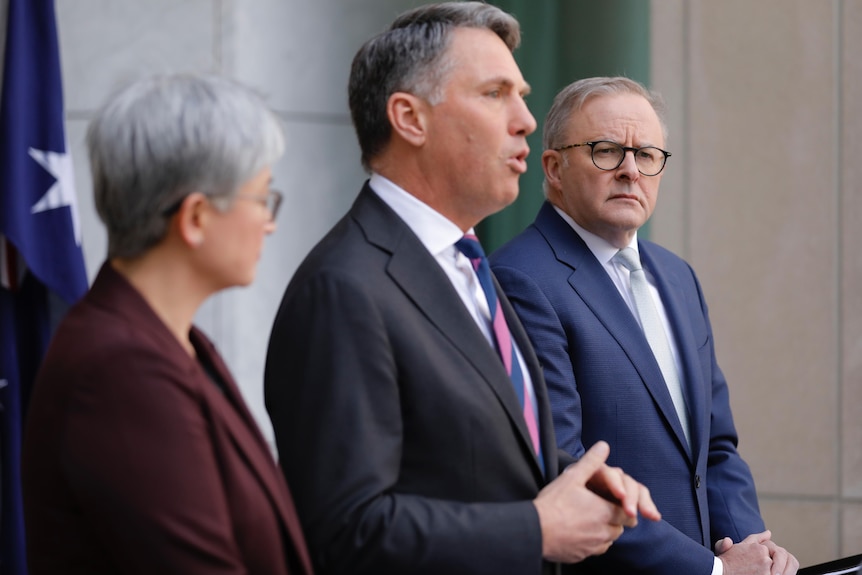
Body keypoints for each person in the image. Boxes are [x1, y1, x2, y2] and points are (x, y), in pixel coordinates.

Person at [263, 5, 660, 575]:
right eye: (495, 94)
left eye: (521, 94)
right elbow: (343, 531)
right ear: (410, 118)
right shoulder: (342, 288)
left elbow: (471, 457)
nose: (525, 119)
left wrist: (567, 478)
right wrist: (538, 528)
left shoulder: (470, 264)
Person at [490, 76, 799, 575]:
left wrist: (750, 550)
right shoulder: (520, 279)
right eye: (606, 150)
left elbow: (716, 447)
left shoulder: (678, 278)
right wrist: (714, 572)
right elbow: (564, 468)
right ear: (553, 168)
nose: (630, 171)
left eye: (647, 154)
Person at [21, 73, 313, 575]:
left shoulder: (171, 341)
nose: (270, 222)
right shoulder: (120, 370)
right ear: (196, 217)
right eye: (262, 198)